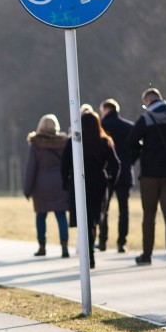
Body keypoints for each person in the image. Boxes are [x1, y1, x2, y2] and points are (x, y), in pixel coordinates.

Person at [126, 87, 166, 267]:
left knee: (149, 214)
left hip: (150, 174)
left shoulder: (146, 118)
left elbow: (130, 142)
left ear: (147, 101)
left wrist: (144, 148)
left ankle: (147, 255)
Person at [62, 108, 120, 269]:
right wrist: (110, 181)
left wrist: (65, 182)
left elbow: (64, 164)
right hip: (98, 183)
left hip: (79, 183)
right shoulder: (104, 141)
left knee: (83, 221)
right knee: (93, 220)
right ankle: (90, 254)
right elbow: (116, 164)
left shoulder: (73, 142)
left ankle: (88, 255)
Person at [23, 114, 70, 258]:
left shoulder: (36, 143)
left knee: (41, 216)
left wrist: (27, 189)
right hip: (59, 183)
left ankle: (42, 246)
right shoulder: (63, 142)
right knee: (61, 215)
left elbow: (31, 168)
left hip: (41, 184)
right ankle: (64, 246)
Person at [97, 98, 135, 253]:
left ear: (105, 110)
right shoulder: (129, 127)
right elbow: (137, 148)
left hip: (107, 171)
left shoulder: (102, 126)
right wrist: (130, 161)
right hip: (125, 171)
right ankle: (121, 242)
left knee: (103, 208)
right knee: (123, 209)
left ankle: (103, 240)